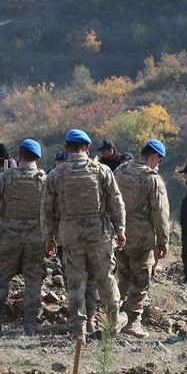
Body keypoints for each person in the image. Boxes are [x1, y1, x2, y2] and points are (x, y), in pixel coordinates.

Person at [41, 129, 127, 341]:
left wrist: (48, 237)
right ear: (88, 148)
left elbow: (46, 209)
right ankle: (113, 323)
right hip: (99, 234)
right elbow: (117, 203)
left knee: (75, 282)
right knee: (105, 278)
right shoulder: (102, 171)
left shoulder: (56, 174)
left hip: (70, 236)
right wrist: (121, 231)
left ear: (66, 148)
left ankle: (78, 329)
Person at [0, 139, 48, 335]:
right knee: (33, 278)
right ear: (37, 158)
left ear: (19, 156)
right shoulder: (44, 180)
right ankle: (30, 325)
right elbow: (51, 210)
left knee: (1, 277)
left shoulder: (5, 178)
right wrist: (50, 236)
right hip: (35, 238)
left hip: (7, 237)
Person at [112, 140, 170, 338]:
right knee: (141, 280)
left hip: (119, 236)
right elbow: (160, 213)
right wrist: (163, 241)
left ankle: (113, 315)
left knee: (123, 276)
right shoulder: (152, 179)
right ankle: (132, 322)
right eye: (159, 160)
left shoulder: (120, 171)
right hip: (142, 239)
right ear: (154, 156)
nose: (158, 164)